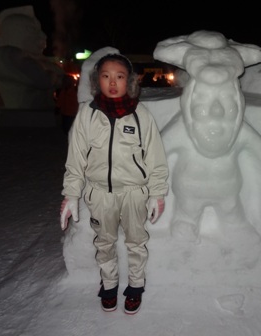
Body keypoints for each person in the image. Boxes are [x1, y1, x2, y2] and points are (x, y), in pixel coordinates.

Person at [60, 53, 169, 315]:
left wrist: (157, 193)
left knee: (136, 241)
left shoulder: (141, 115)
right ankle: (109, 284)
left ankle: (135, 285)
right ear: (98, 80)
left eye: (119, 76)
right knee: (104, 242)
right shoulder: (87, 114)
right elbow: (75, 159)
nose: (112, 82)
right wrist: (71, 195)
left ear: (129, 81)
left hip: (134, 193)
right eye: (106, 76)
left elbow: (155, 158)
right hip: (99, 194)